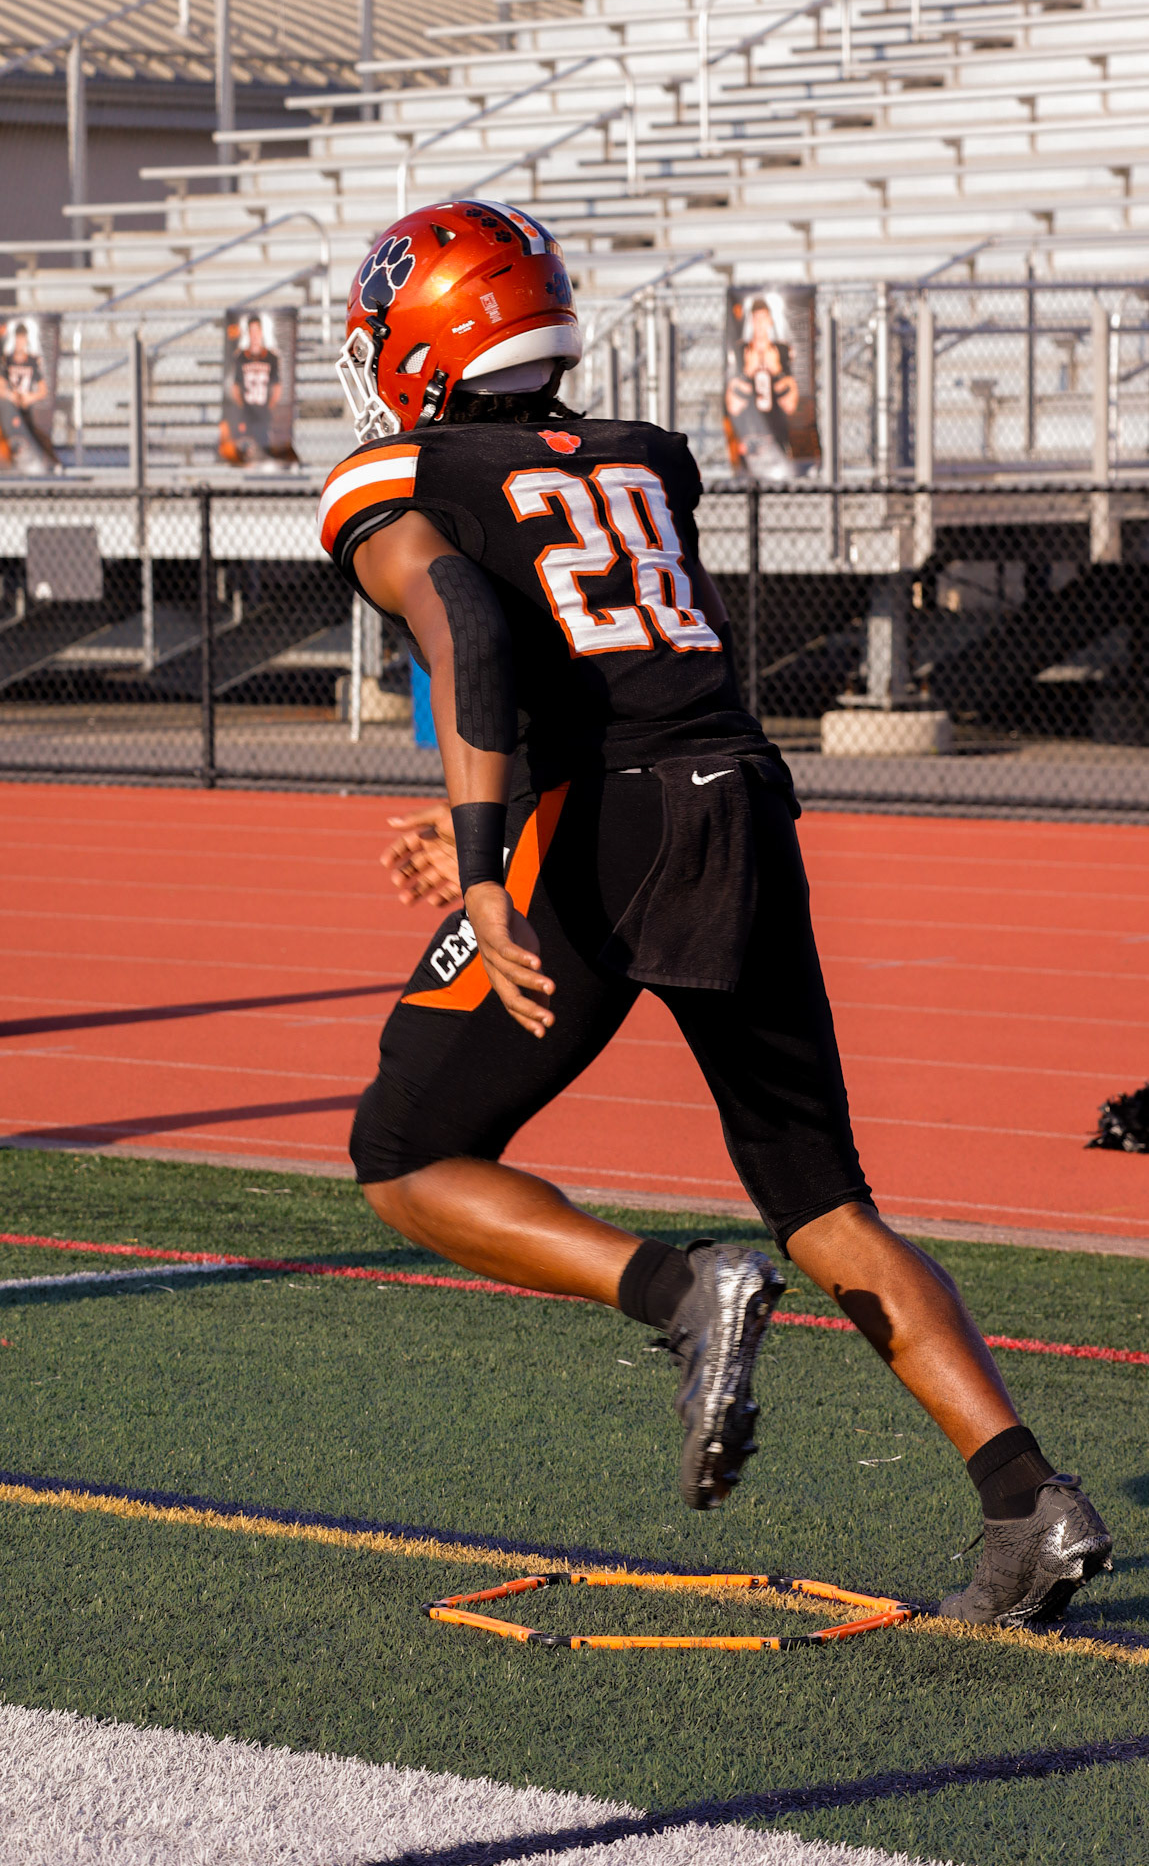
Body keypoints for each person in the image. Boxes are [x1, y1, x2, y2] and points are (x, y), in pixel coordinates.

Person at [319, 199, 1111, 1621]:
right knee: (827, 1201)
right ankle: (1026, 1505)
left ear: (423, 343)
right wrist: (497, 814)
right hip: (738, 795)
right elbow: (612, 658)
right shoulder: (643, 454)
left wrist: (488, 857)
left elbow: (477, 634)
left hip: (604, 828)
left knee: (405, 1150)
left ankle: (682, 1292)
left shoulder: (397, 474)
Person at [724, 296, 800, 476]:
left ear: (770, 320)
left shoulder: (781, 351)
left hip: (777, 434)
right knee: (747, 479)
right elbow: (733, 407)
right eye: (756, 319)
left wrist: (777, 371)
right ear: (751, 321)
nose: (759, 324)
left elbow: (790, 405)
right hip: (748, 435)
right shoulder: (741, 351)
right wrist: (747, 373)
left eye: (763, 318)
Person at [224, 314, 281, 465]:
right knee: (245, 454)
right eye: (251, 331)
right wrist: (242, 407)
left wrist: (270, 407)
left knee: (264, 452)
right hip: (247, 412)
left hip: (263, 412)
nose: (254, 335)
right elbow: (235, 387)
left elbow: (277, 386)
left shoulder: (271, 357)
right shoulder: (241, 357)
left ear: (261, 332)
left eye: (257, 331)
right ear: (248, 333)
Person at [0, 320, 51, 472]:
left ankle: (44, 462)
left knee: (34, 430)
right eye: (18, 339)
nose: (20, 343)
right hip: (11, 406)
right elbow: (1, 386)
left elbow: (43, 391)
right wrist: (11, 396)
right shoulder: (7, 360)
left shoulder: (32, 361)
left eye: (22, 339)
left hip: (27, 407)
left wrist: (29, 397)